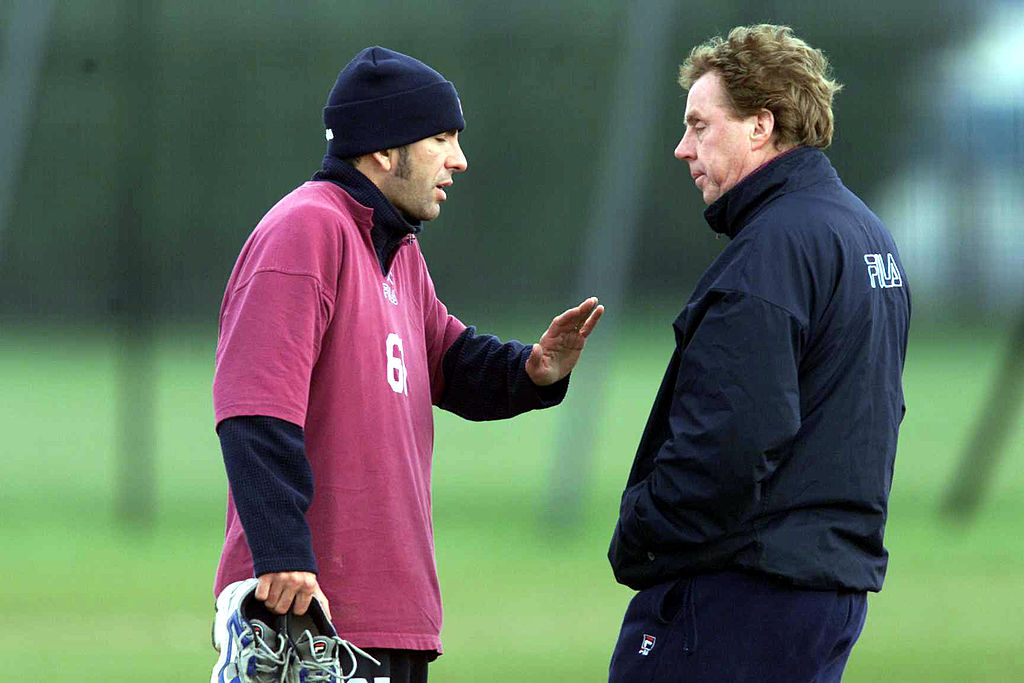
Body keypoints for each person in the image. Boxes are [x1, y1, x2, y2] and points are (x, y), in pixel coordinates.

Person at [210, 46, 603, 682]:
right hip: (315, 615)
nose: (459, 160)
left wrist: (532, 371)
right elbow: (253, 407)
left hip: (394, 617)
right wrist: (281, 553)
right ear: (383, 150)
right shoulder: (307, 230)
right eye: (441, 138)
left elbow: (446, 358)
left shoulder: (396, 249)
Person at [607, 25, 909, 682]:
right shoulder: (865, 235)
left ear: (760, 127)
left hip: (740, 598)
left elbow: (730, 439)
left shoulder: (771, 252)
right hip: (823, 596)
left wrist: (640, 530)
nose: (682, 147)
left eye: (699, 125)